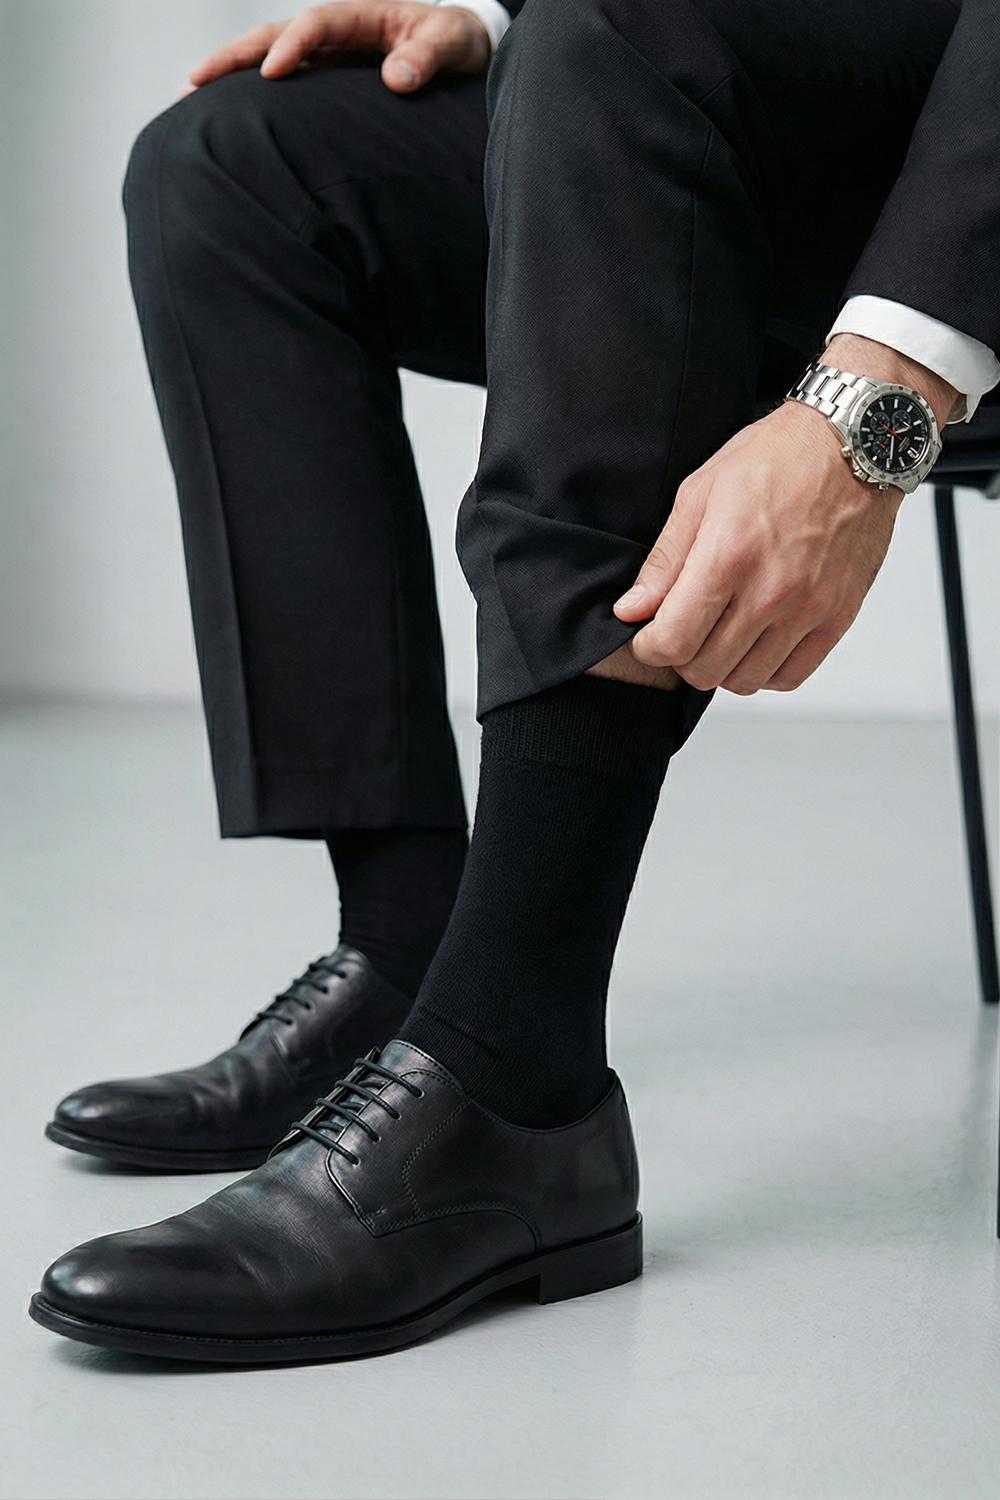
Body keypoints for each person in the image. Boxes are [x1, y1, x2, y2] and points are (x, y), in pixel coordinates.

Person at [30, 0, 999, 1361]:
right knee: (234, 165)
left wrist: (883, 396)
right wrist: (497, 19)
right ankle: (407, 952)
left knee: (626, 31)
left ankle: (509, 1066)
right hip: (752, 106)